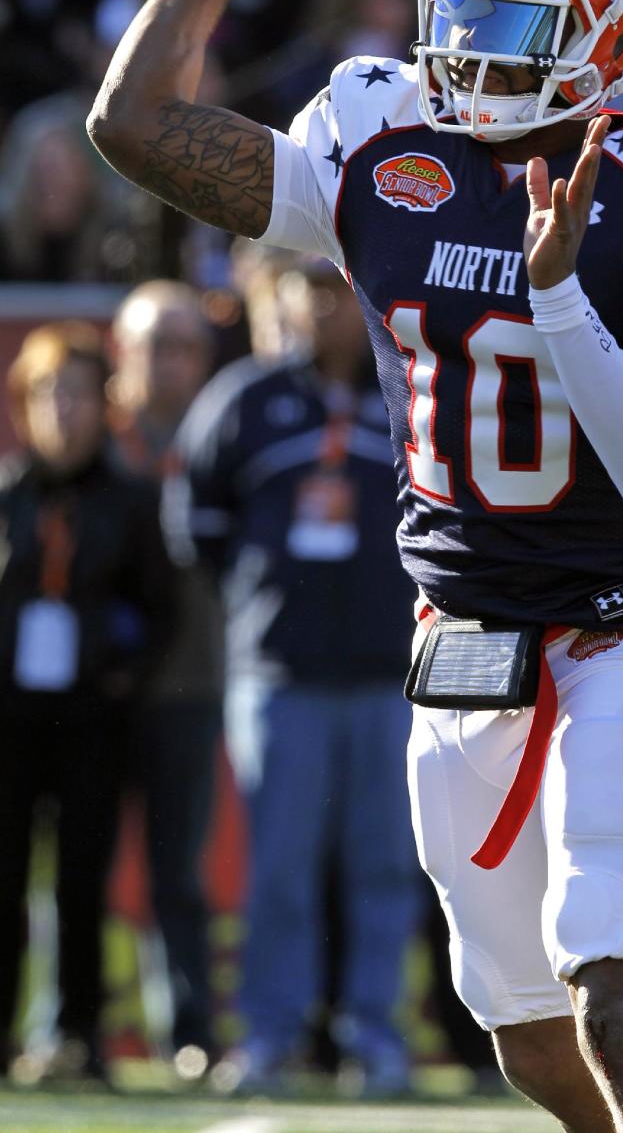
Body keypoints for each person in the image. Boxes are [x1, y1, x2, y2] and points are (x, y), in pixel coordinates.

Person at [86, 0, 623, 1130]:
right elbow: (135, 122)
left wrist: (560, 301)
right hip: (464, 634)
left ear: (606, 40)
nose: (472, 55)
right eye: (461, 16)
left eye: (517, 25)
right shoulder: (379, 140)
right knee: (532, 1042)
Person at [163, 254, 421, 1095]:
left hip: (390, 671)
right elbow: (195, 530)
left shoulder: (410, 394)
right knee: (278, 868)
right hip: (278, 672)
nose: (325, 308)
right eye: (309, 290)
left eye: (340, 288)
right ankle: (270, 1035)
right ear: (281, 300)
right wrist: (268, 600)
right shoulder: (243, 402)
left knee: (385, 867)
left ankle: (375, 1037)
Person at [0, 323, 174, 1081]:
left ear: (103, 406)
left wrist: (119, 674)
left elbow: (162, 608)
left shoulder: (132, 499)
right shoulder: (7, 497)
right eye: (46, 395)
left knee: (80, 881)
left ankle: (78, 1036)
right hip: (9, 720)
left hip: (92, 722)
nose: (61, 410)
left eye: (75, 393)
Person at [110, 282, 223, 1077]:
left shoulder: (223, 436)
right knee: (73, 866)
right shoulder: (92, 442)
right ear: (124, 353)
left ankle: (189, 1031)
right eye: (154, 344)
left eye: (184, 346)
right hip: (97, 695)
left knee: (177, 871)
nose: (169, 363)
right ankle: (60, 1024)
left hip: (193, 686)